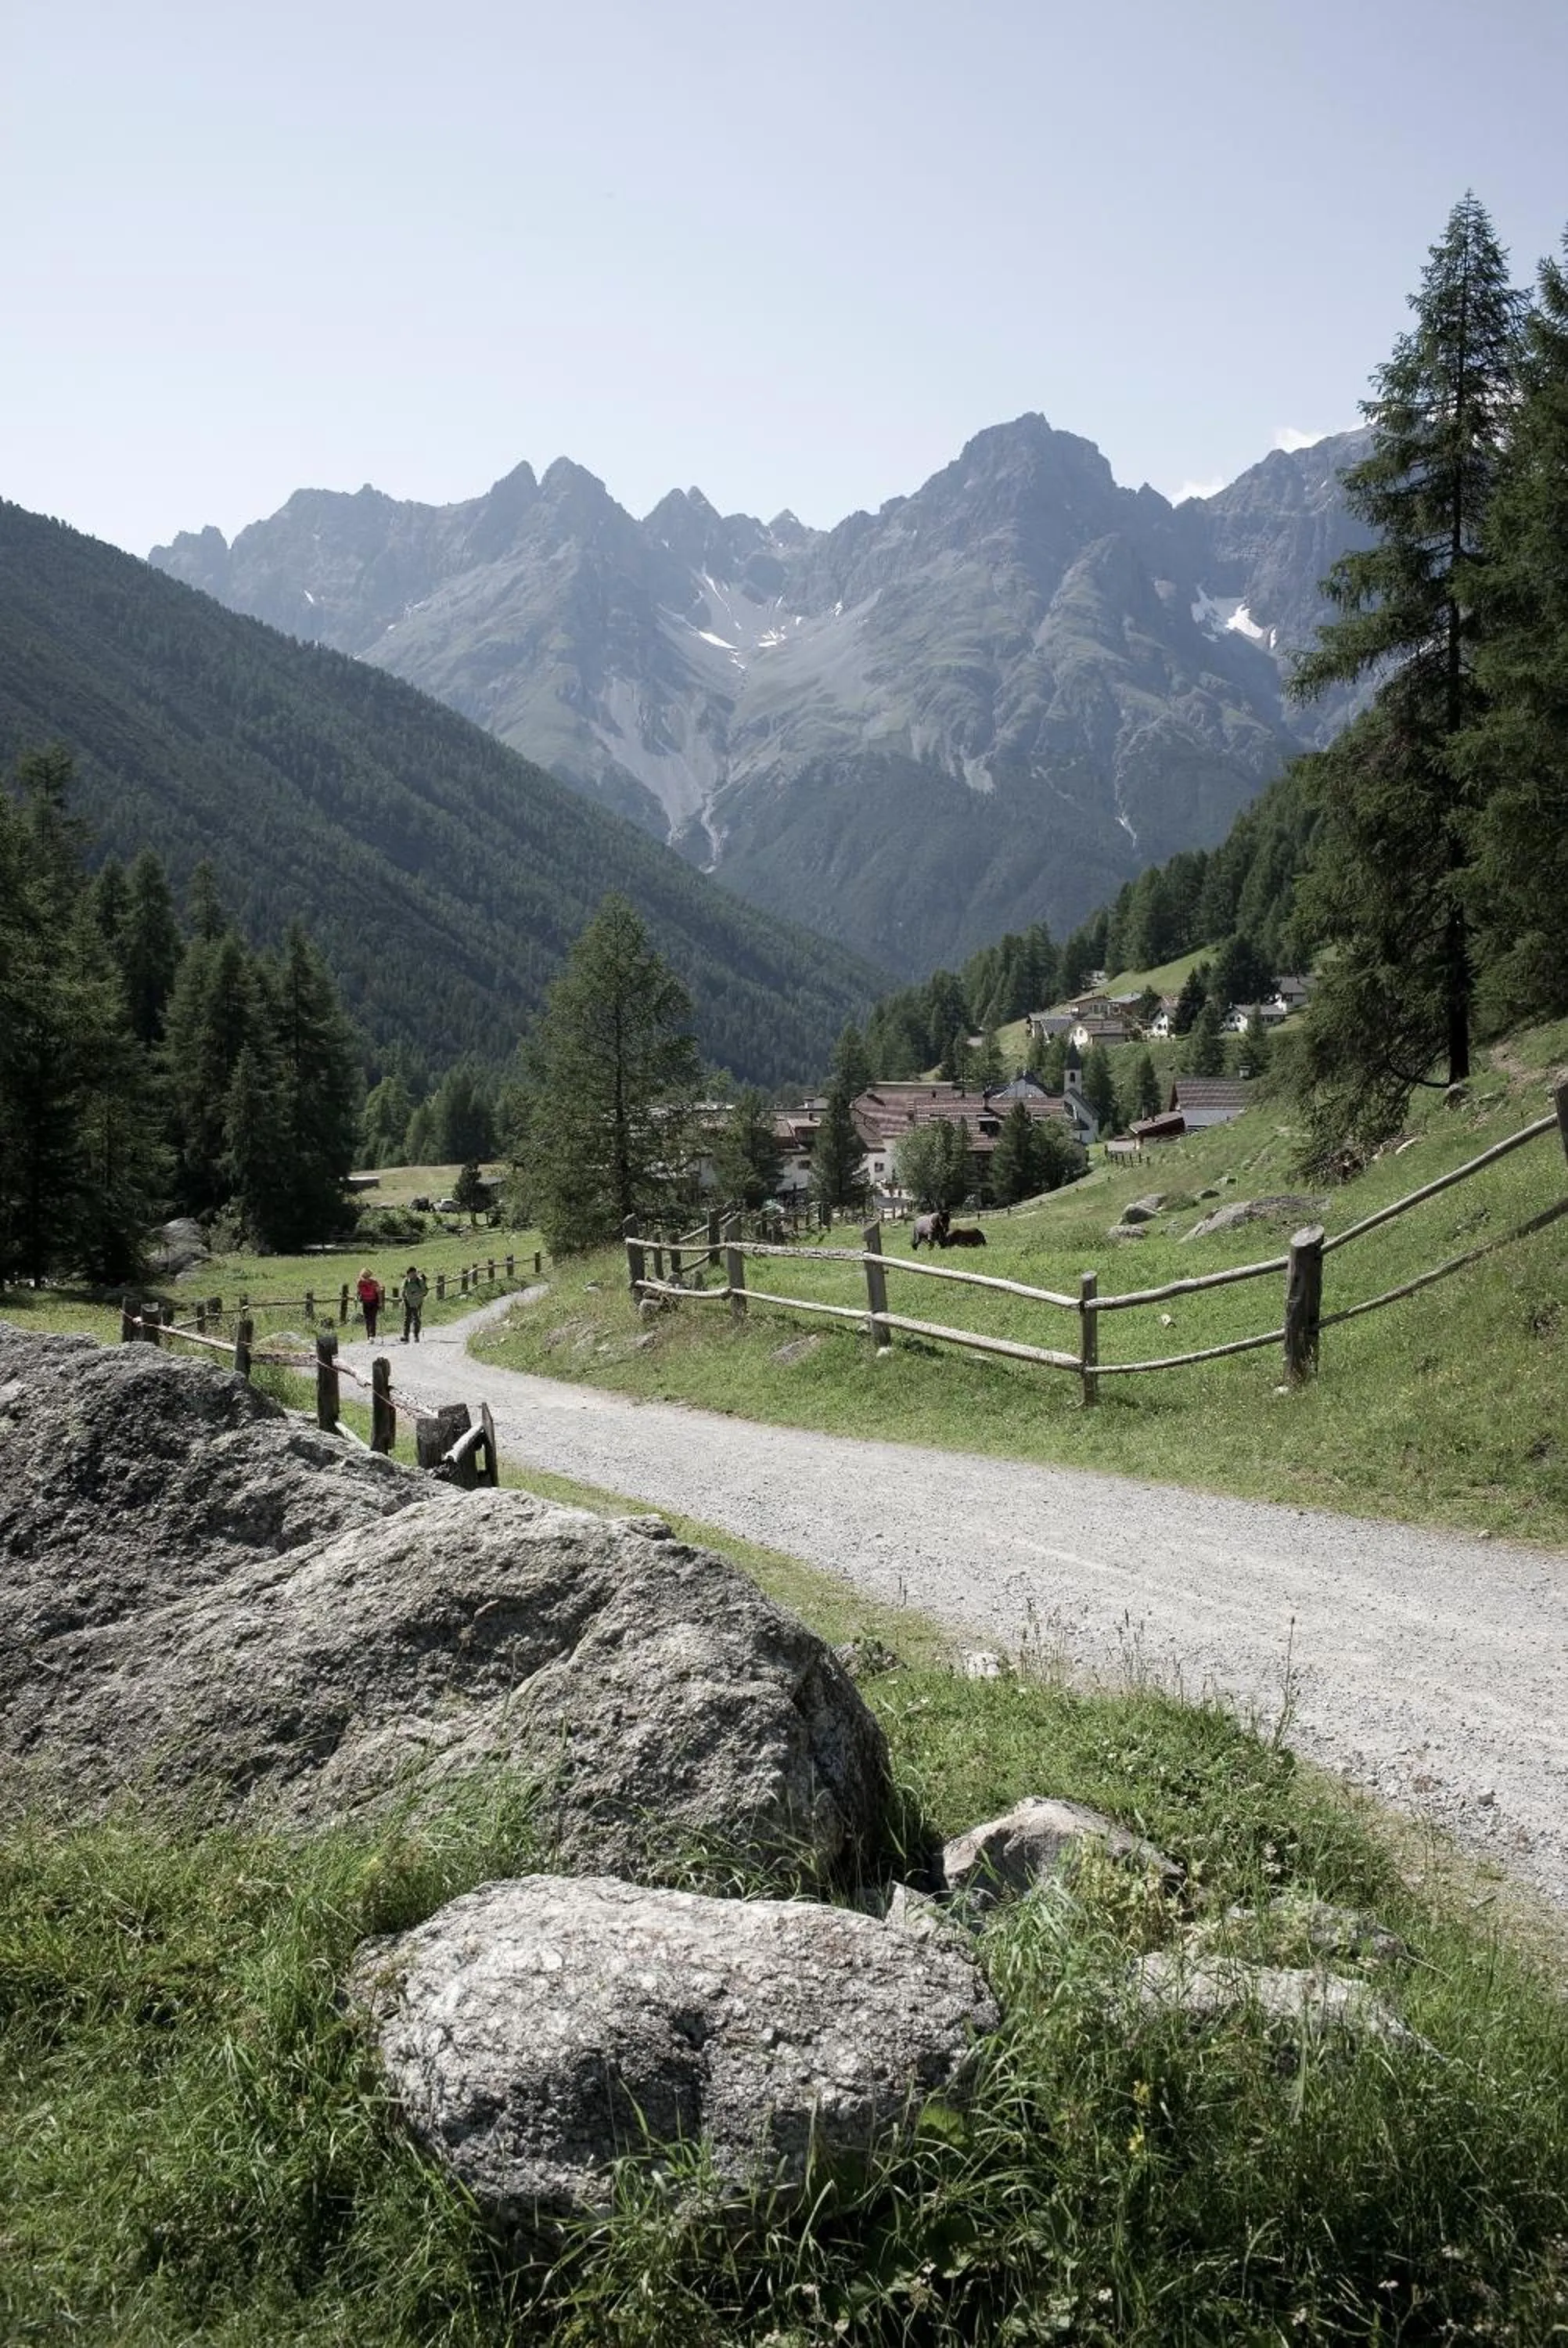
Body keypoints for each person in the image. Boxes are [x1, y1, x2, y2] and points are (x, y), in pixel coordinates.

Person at [401, 1263, 429, 1343]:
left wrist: (419, 1295)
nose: (412, 1275)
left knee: (416, 1319)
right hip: (408, 1302)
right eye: (410, 1274)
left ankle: (416, 1336)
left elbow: (425, 1291)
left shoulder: (420, 1281)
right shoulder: (406, 1281)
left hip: (417, 1302)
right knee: (407, 1319)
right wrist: (403, 1297)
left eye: (413, 1273)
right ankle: (406, 1336)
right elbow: (403, 1290)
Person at [355, 1266, 383, 1341]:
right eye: (364, 1277)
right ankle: (369, 1336)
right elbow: (358, 1291)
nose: (366, 1279)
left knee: (373, 1318)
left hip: (374, 1302)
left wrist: (380, 1302)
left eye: (367, 1277)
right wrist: (357, 1297)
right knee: (367, 1319)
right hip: (365, 1302)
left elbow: (379, 1293)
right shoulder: (360, 1282)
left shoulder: (374, 1282)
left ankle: (372, 1335)